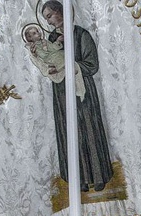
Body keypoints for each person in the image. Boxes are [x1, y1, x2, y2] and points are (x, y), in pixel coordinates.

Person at [41, 0, 113, 190]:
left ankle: (98, 176)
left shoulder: (81, 35)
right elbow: (48, 60)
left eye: (49, 16)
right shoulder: (50, 40)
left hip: (83, 90)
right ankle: (78, 179)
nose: (48, 22)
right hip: (62, 92)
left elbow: (92, 64)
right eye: (45, 18)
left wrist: (73, 67)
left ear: (60, 11)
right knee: (70, 132)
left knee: (89, 129)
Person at [22, 23, 86, 98]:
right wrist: (49, 48)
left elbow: (52, 48)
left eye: (37, 31)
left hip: (52, 54)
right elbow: (43, 55)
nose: (38, 34)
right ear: (30, 38)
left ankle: (72, 74)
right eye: (34, 33)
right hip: (49, 58)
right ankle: (65, 68)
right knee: (58, 57)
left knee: (62, 54)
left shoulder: (44, 41)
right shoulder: (35, 47)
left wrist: (57, 42)